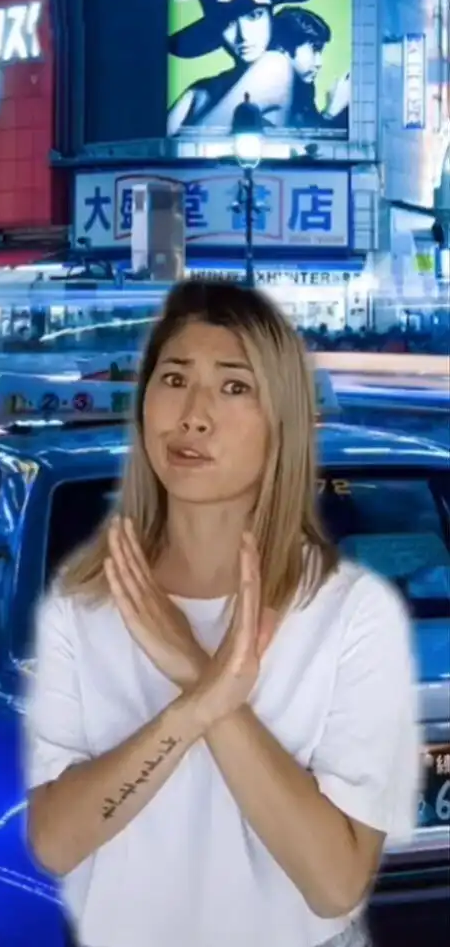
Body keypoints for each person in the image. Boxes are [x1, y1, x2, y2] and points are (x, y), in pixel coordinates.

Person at [25, 279, 421, 947]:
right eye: (175, 378)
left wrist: (193, 668)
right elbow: (56, 843)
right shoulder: (84, 600)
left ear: (280, 423)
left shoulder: (350, 613)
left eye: (234, 386)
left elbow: (335, 885)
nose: (194, 415)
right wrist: (195, 705)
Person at [168, 0, 317, 135]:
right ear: (216, 30)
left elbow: (197, 143)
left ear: (270, 17)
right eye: (227, 23)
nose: (243, 35)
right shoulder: (200, 91)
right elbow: (158, 147)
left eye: (254, 15)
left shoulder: (275, 65)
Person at [271, 7, 350, 130]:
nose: (319, 63)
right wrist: (331, 111)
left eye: (320, 51)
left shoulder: (303, 87)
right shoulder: (269, 90)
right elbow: (298, 140)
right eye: (314, 50)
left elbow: (309, 129)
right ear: (282, 48)